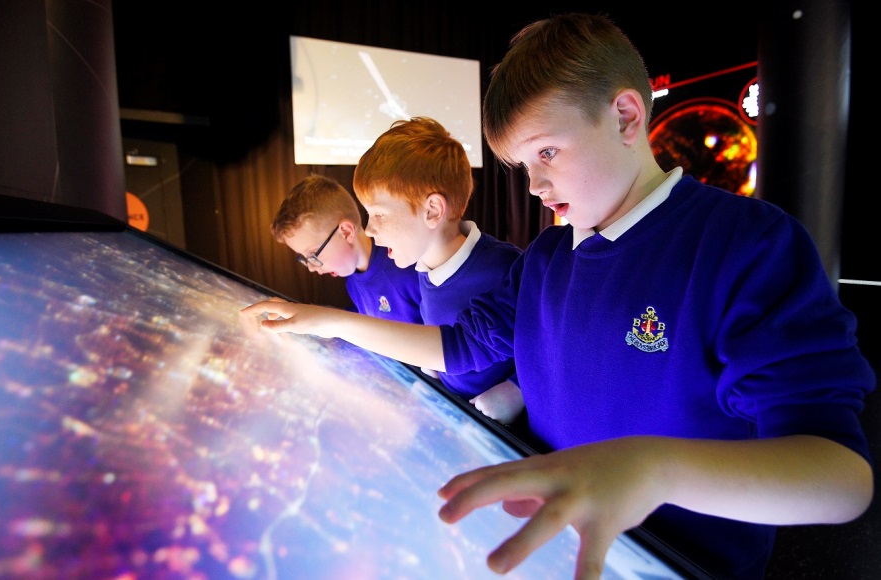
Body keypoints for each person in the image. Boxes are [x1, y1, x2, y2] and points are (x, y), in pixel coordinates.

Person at [241, 13, 875, 580]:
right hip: (549, 550)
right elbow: (460, 346)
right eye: (522, 166)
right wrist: (326, 321)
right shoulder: (545, 257)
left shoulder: (746, 244)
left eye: (547, 151)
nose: (536, 183)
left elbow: (838, 475)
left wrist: (652, 469)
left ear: (626, 115)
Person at [352, 116, 524, 424]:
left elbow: (547, 345)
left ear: (432, 210)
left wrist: (516, 390)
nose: (369, 230)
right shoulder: (423, 270)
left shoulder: (506, 268)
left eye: (378, 214)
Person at [270, 174, 423, 324]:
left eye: (313, 255)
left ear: (346, 232)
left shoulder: (406, 271)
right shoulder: (352, 280)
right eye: (304, 258)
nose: (311, 268)